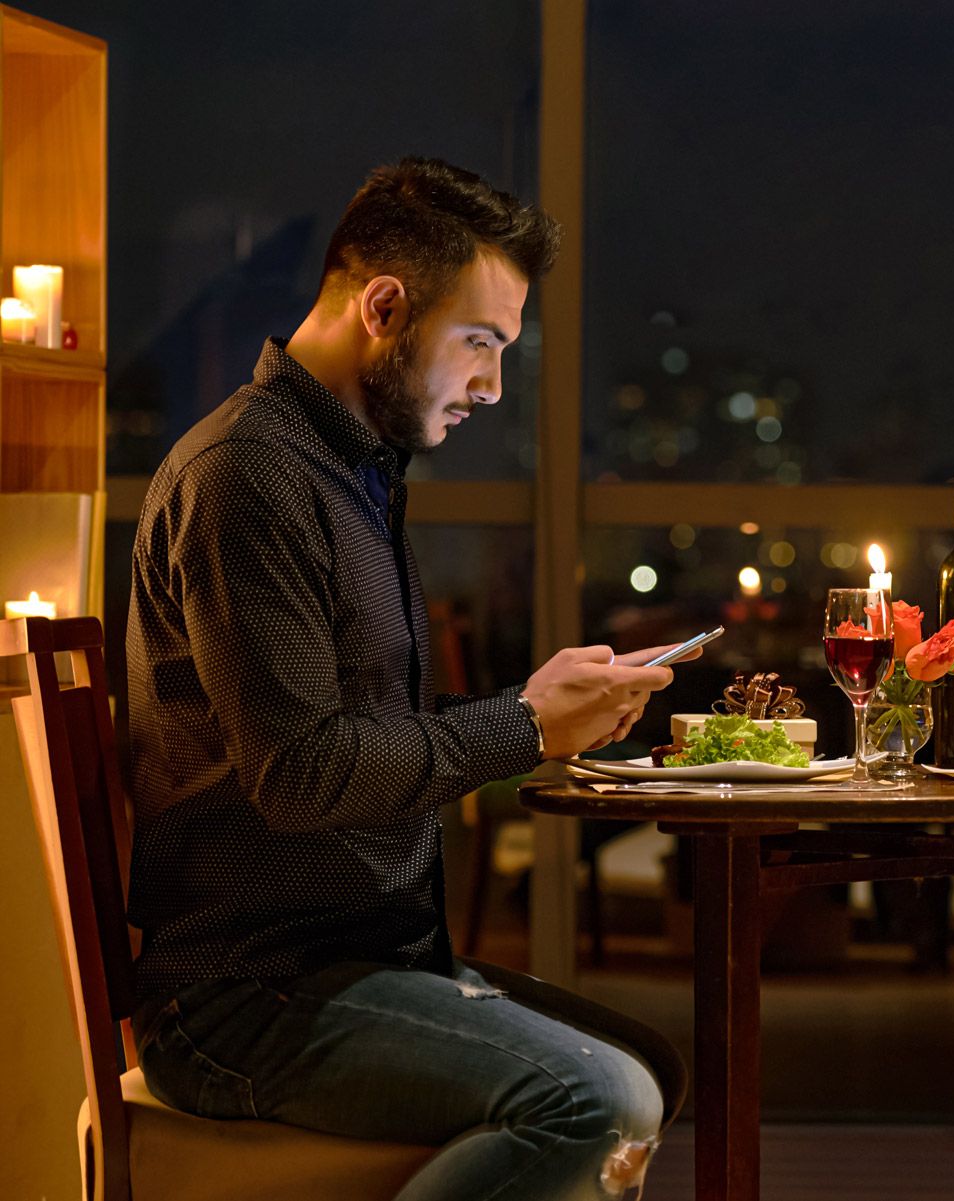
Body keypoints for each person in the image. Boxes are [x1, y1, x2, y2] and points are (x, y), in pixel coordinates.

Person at [125, 157, 696, 1199]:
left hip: (358, 959)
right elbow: (301, 772)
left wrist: (546, 719)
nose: (490, 383)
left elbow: (370, 735)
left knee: (652, 1067)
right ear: (384, 307)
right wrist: (523, 726)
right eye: (480, 343)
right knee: (596, 1101)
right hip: (250, 997)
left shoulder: (352, 474)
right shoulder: (247, 475)